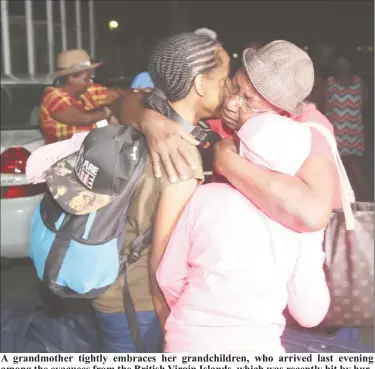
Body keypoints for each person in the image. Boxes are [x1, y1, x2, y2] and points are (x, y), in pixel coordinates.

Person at [85, 32, 228, 352]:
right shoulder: (180, 154)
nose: (229, 86)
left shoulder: (141, 129)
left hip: (112, 290)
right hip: (140, 304)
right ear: (201, 85)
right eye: (225, 77)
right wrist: (170, 324)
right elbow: (163, 263)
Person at [115, 40, 341, 233]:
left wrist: (226, 161)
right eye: (233, 87)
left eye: (249, 101)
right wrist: (150, 120)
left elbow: (313, 214)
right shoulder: (222, 116)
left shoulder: (307, 130)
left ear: (282, 111)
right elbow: (126, 101)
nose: (231, 104)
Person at [157, 111, 331, 352]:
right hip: (256, 346)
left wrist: (199, 320)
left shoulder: (205, 197)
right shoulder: (298, 225)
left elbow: (168, 277)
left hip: (186, 340)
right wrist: (313, 240)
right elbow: (310, 313)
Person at [40, 49, 121, 144]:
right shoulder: (53, 97)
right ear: (72, 78)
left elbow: (117, 94)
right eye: (86, 78)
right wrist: (109, 111)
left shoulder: (86, 91)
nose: (90, 81)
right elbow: (84, 119)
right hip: (64, 156)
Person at [325, 53, 369, 200]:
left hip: (354, 129)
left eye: (344, 62)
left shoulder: (359, 82)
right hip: (336, 129)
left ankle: (365, 197)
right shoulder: (330, 83)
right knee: (338, 167)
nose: (341, 66)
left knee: (355, 165)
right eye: (338, 62)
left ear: (350, 63)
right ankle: (341, 199)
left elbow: (364, 103)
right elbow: (326, 107)